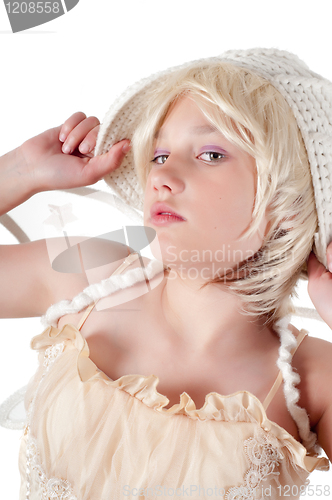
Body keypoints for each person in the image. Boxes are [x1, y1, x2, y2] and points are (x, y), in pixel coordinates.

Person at [0, 48, 331, 499]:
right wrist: (19, 170)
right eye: (158, 155)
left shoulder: (312, 378)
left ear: (286, 203)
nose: (162, 176)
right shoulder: (92, 273)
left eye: (211, 154)